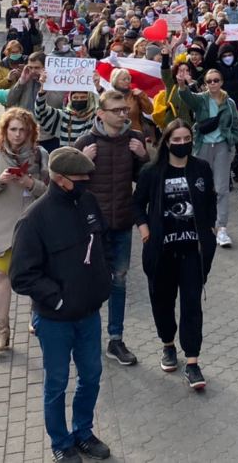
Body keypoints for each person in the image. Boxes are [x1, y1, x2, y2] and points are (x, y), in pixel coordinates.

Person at [9, 147, 113, 463]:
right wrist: (59, 298)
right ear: (60, 179)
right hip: (55, 321)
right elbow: (21, 277)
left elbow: (101, 243)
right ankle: (61, 441)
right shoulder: (33, 220)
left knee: (92, 376)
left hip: (89, 315)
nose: (87, 182)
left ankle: (83, 432)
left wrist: (101, 280)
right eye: (81, 178)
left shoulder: (88, 202)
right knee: (56, 383)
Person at [132, 119, 218, 391]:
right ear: (166, 142)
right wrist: (145, 231)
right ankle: (168, 344)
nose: (182, 144)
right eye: (176, 140)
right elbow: (136, 204)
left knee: (192, 304)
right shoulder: (151, 172)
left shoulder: (201, 168)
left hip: (193, 251)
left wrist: (211, 229)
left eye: (186, 139)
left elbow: (210, 200)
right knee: (162, 301)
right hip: (161, 250)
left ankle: (192, 362)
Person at [72, 91, 149, 368]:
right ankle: (87, 337)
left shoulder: (135, 140)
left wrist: (144, 157)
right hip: (93, 230)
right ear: (101, 114)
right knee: (90, 284)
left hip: (122, 225)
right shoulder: (86, 143)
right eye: (116, 110)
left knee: (119, 281)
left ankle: (115, 339)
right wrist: (82, 160)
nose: (122, 114)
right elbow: (72, 187)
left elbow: (145, 182)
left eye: (125, 110)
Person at [0, 108, 49, 353]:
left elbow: (51, 192)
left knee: (36, 274)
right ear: (5, 131)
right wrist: (0, 181)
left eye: (22, 130)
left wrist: (30, 183)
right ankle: (2, 330)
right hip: (2, 228)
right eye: (13, 129)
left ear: (31, 132)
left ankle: (35, 317)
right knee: (2, 276)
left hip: (33, 227)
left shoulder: (41, 155)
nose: (17, 135)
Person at [168, 67, 238, 247]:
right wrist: (181, 84)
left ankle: (221, 228)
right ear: (205, 84)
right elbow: (187, 97)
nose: (213, 84)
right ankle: (199, 222)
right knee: (199, 184)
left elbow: (235, 124)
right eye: (209, 81)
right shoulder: (201, 99)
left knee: (221, 188)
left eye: (216, 80)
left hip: (222, 147)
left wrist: (231, 139)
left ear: (221, 82)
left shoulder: (230, 103)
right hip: (202, 146)